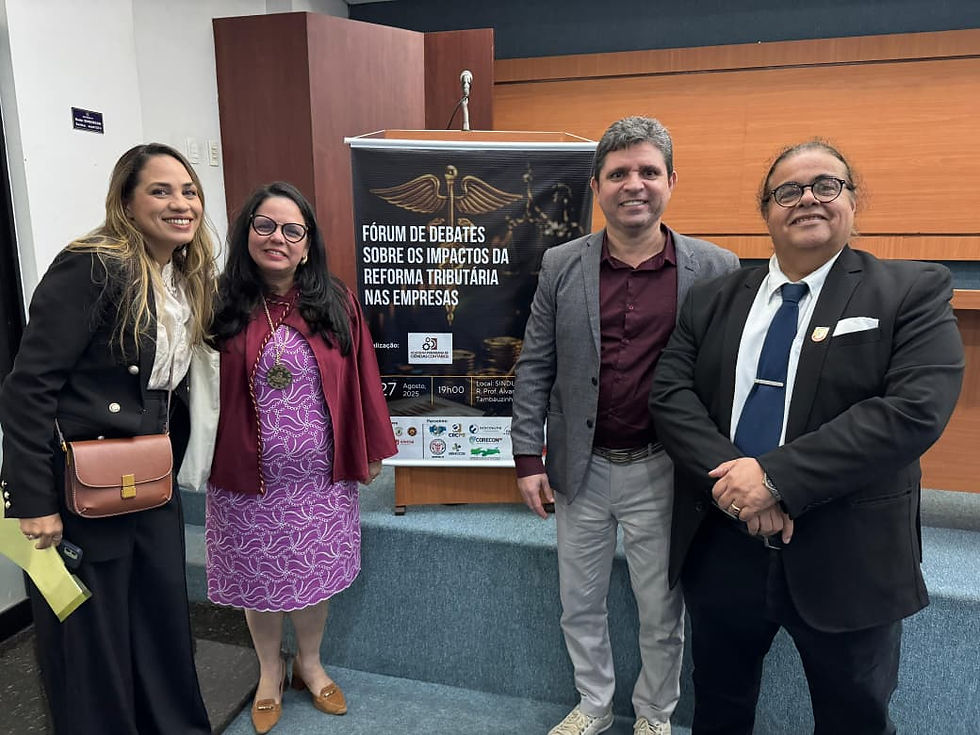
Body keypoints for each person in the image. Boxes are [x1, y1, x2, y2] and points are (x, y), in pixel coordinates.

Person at [649, 140, 965, 734]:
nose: (807, 201)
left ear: (852, 201)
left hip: (847, 548)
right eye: (787, 192)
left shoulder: (909, 292)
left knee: (854, 714)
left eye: (826, 186)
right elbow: (671, 398)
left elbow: (913, 411)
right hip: (723, 540)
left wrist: (775, 480)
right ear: (767, 210)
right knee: (719, 703)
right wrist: (740, 485)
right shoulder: (713, 299)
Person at [511, 116, 739, 735]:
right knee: (578, 604)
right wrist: (528, 458)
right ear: (596, 185)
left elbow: (727, 380)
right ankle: (592, 706)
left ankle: (653, 716)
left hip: (666, 472)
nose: (633, 184)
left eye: (647, 171)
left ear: (671, 181)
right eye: (618, 173)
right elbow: (536, 363)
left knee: (660, 610)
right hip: (578, 471)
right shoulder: (561, 265)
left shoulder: (716, 268)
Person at [0, 143, 215, 733]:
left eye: (189, 191)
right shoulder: (93, 265)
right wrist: (33, 500)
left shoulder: (183, 278)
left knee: (161, 621)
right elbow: (27, 387)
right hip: (79, 491)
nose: (180, 203)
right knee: (93, 642)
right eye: (161, 191)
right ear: (126, 200)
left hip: (151, 481)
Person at [205, 181, 396, 734]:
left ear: (308, 244)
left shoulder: (335, 301)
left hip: (320, 481)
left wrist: (373, 449)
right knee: (260, 579)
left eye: (293, 230)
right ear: (247, 235)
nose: (278, 238)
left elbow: (364, 380)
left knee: (313, 578)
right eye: (265, 225)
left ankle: (309, 665)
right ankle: (270, 671)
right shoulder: (219, 303)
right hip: (246, 480)